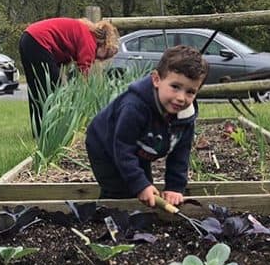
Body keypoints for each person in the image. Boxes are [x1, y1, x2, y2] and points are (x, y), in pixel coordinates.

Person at [85, 45, 208, 208]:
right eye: (175, 87)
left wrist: (174, 187)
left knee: (145, 188)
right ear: (156, 79)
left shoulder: (185, 117)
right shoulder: (134, 108)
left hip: (141, 147)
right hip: (105, 144)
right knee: (119, 189)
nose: (181, 98)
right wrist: (140, 185)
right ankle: (107, 213)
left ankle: (140, 212)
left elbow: (180, 154)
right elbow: (122, 148)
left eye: (190, 92)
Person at [18, 17, 119, 136]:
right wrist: (85, 96)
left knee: (37, 89)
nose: (99, 59)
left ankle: (39, 132)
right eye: (104, 55)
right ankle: (51, 132)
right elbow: (84, 72)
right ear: (103, 44)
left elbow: (59, 64)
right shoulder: (89, 40)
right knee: (54, 91)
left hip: (28, 37)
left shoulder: (81, 32)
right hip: (39, 41)